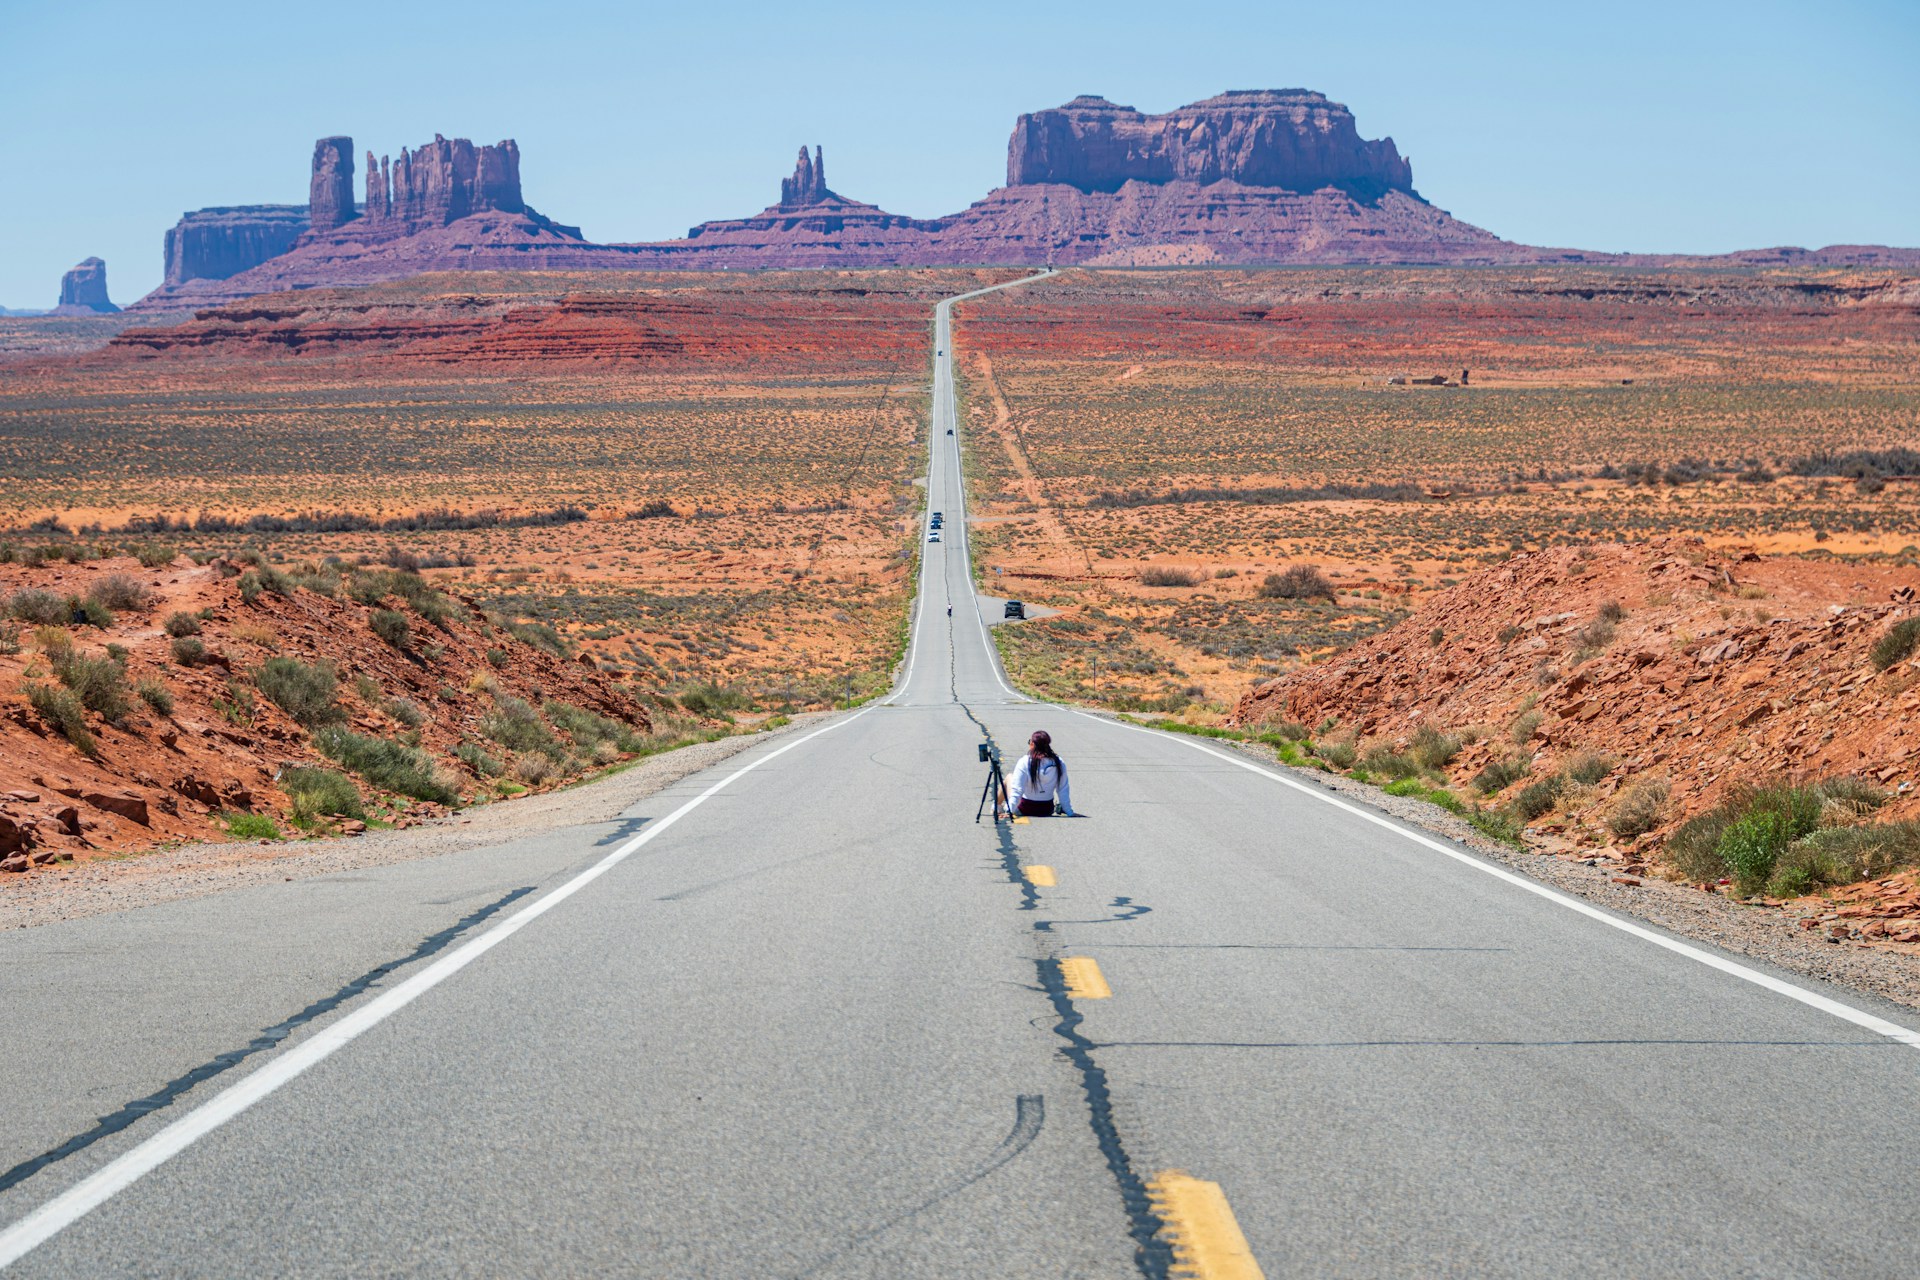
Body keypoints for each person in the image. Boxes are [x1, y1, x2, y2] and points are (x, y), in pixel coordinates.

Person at [1006, 730, 1074, 817]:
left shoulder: (1025, 761)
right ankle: (997, 807)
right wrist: (1069, 811)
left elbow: (1017, 789)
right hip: (1047, 809)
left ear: (1032, 744)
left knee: (1009, 777)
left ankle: (996, 807)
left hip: (1025, 808)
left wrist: (1009, 811)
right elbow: (1063, 789)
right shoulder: (1058, 762)